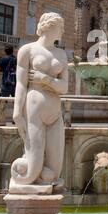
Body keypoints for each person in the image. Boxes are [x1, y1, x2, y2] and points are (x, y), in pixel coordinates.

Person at [11, 13, 68, 187]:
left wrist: (45, 79)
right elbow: (20, 84)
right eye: (60, 27)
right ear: (48, 27)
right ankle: (24, 178)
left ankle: (43, 182)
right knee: (33, 167)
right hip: (34, 108)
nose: (63, 31)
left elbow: (64, 88)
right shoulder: (27, 50)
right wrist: (16, 112)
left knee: (55, 170)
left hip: (55, 111)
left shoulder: (61, 54)